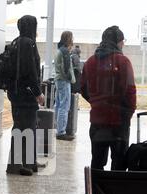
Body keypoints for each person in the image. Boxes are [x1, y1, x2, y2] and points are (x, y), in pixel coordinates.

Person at [81, 26, 137, 170]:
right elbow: (130, 92)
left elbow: (83, 89)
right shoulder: (123, 62)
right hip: (119, 122)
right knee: (119, 163)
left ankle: (95, 190)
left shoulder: (90, 62)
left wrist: (97, 103)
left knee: (97, 161)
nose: (123, 44)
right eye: (122, 41)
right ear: (118, 42)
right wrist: (128, 113)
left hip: (97, 121)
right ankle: (115, 192)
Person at [6, 15, 45, 176]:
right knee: (25, 128)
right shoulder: (28, 44)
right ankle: (16, 165)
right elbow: (31, 72)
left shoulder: (16, 42)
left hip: (16, 93)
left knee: (25, 127)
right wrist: (38, 93)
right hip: (25, 94)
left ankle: (29, 162)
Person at [54, 31, 75, 141]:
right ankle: (61, 132)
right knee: (64, 106)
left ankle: (57, 128)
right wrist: (71, 79)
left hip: (58, 80)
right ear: (69, 39)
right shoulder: (65, 52)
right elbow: (67, 69)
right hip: (64, 81)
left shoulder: (59, 50)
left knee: (58, 105)